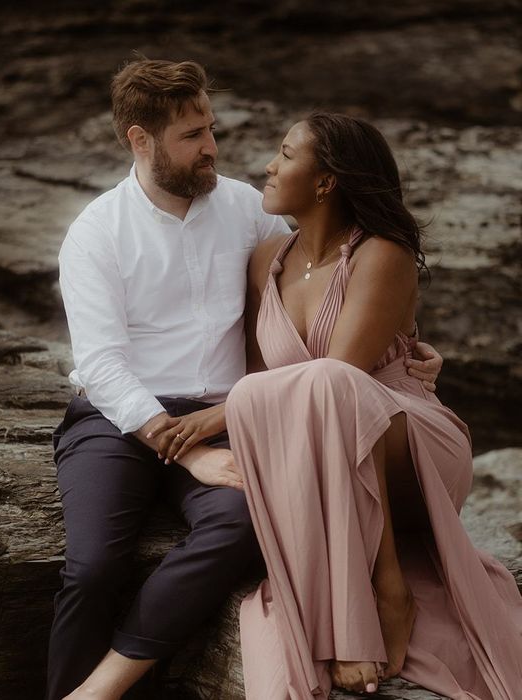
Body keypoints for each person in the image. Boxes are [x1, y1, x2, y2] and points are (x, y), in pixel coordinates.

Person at [49, 59, 443, 700]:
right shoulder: (96, 232)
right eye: (191, 136)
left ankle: (105, 685)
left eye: (210, 128)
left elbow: (329, 286)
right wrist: (188, 450)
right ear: (140, 140)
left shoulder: (249, 213)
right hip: (118, 422)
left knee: (243, 527)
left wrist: (412, 348)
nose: (211, 148)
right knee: (93, 567)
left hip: (237, 415)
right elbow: (100, 362)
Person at [151, 113, 522, 698]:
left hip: (407, 439)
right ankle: (356, 595)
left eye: (285, 153)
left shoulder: (383, 253)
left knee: (327, 386)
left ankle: (385, 592)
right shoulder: (264, 260)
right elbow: (259, 377)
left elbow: (342, 373)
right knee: (291, 398)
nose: (269, 166)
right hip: (323, 452)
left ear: (325, 182)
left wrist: (219, 415)